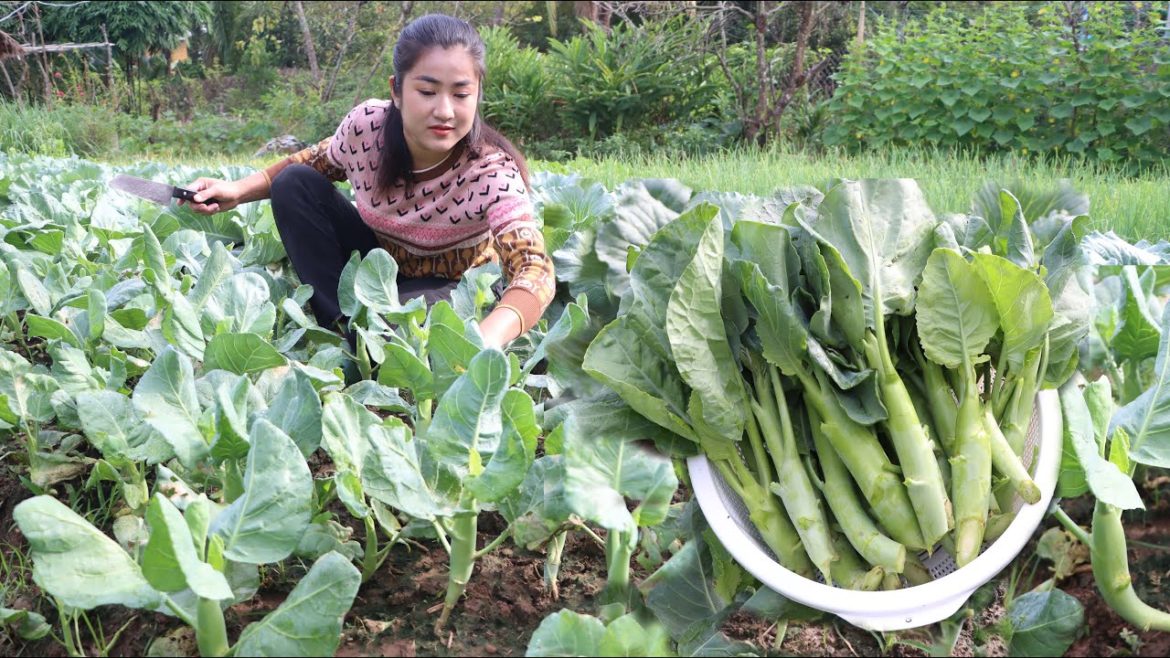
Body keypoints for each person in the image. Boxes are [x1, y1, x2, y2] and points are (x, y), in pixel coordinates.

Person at [183, 14, 554, 353]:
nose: (444, 111)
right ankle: (341, 324)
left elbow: (534, 268)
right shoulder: (367, 128)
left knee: (405, 328)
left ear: (476, 95)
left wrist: (487, 337)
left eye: (461, 94)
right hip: (377, 263)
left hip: (449, 287)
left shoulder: (490, 172)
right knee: (295, 183)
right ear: (396, 90)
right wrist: (235, 191)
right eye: (426, 92)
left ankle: (372, 338)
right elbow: (313, 162)